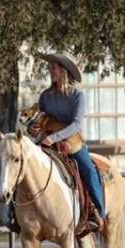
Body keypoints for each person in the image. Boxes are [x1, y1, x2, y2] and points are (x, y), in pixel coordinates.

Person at [33, 53, 105, 232]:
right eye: (51, 68)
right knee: (25, 166)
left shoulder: (78, 96)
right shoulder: (45, 96)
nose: (51, 71)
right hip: (46, 143)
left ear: (64, 72)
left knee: (88, 169)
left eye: (54, 68)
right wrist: (33, 128)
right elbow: (38, 118)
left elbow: (76, 124)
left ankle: (97, 213)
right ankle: (19, 214)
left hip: (71, 144)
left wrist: (54, 138)